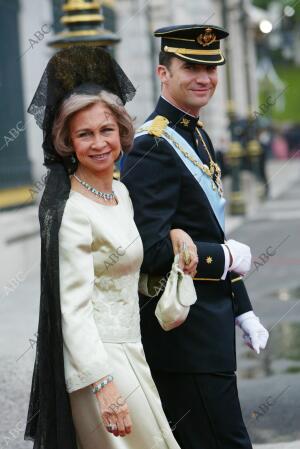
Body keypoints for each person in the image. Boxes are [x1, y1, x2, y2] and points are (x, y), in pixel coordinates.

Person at [24, 46, 181, 449]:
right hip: (100, 367)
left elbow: (121, 276)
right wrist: (103, 386)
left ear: (122, 131)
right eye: (84, 134)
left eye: (106, 129)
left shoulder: (122, 195)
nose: (98, 143)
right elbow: (72, 311)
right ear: (66, 141)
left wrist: (178, 243)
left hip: (132, 351)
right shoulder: (73, 211)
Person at [122, 24, 269, 449]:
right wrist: (222, 258)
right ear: (162, 73)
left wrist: (242, 309)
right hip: (183, 337)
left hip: (209, 330)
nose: (204, 77)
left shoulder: (197, 135)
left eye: (211, 67)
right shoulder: (150, 145)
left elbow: (206, 229)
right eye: (191, 66)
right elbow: (149, 250)